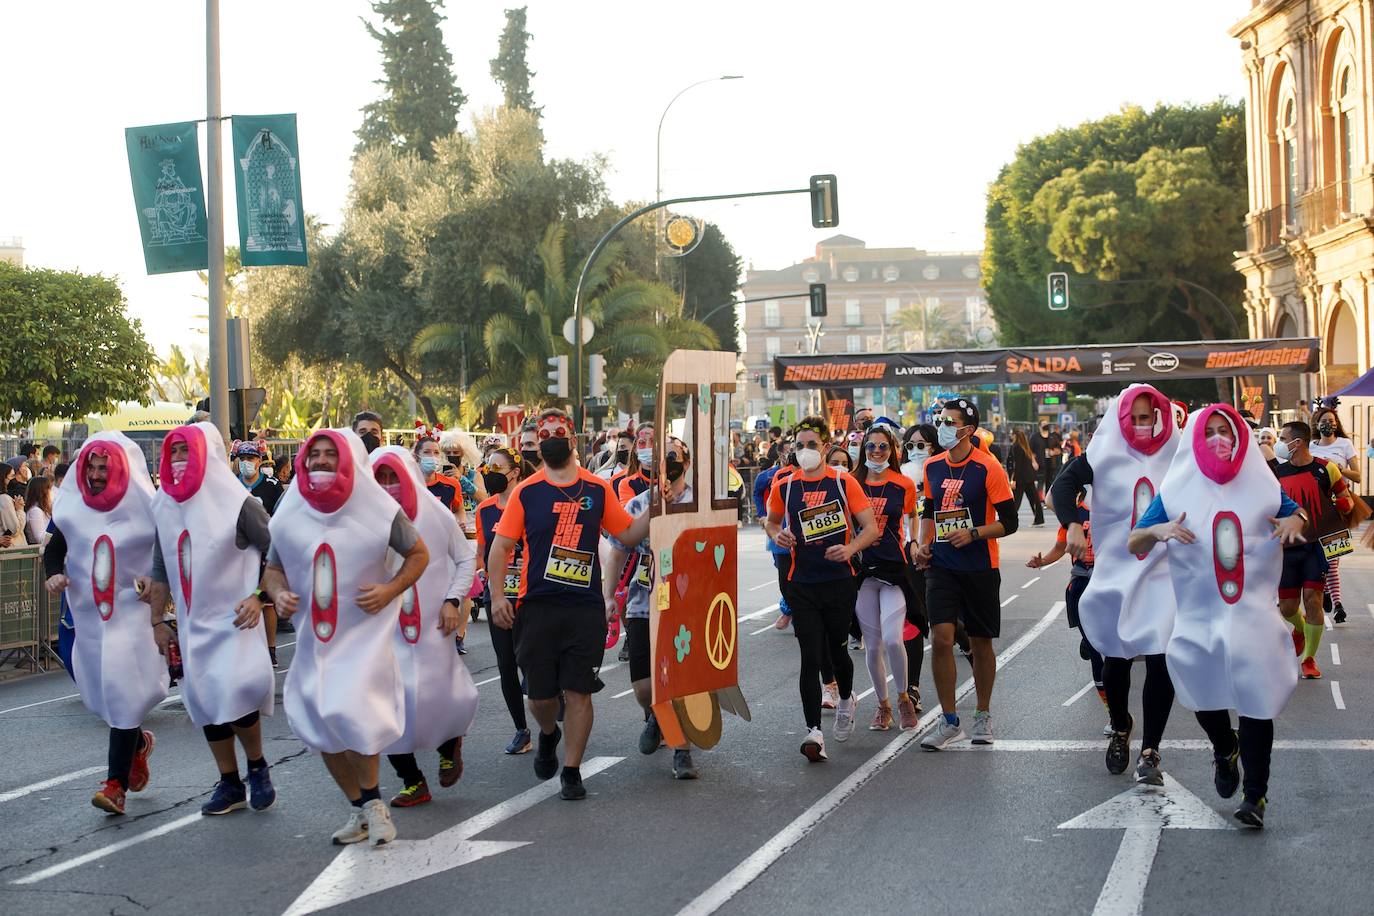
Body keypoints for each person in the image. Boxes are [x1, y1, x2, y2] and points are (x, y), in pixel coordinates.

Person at [1128, 404, 1307, 828]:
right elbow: (1134, 542)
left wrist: (1292, 523)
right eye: (1208, 431)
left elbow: (1294, 512)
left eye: (1224, 430)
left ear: (1240, 435)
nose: (1217, 438)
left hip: (1252, 616)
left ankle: (1255, 797)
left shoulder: (1260, 484)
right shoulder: (1175, 490)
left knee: (1256, 698)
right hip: (1199, 618)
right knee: (1202, 692)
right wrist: (1159, 530)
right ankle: (1225, 747)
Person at [262, 428, 430, 846]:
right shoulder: (289, 510)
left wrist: (391, 589)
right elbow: (272, 567)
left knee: (354, 711)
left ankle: (374, 805)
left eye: (328, 455)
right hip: (312, 642)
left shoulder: (380, 509)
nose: (319, 461)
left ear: (349, 461)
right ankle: (360, 809)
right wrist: (278, 593)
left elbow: (419, 554)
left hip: (363, 640)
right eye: (313, 454)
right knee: (321, 725)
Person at [486, 409, 649, 800]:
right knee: (540, 697)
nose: (553, 437)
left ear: (573, 439)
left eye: (560, 431)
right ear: (539, 445)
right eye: (546, 434)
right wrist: (495, 598)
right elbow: (501, 548)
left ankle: (572, 771)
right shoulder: (527, 491)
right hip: (537, 607)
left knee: (578, 691)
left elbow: (625, 533)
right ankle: (547, 733)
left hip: (583, 607)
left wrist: (658, 505)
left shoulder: (596, 488)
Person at [142, 422, 277, 816]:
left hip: (237, 621)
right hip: (191, 624)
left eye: (187, 452)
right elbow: (161, 565)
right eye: (174, 453)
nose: (179, 460)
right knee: (203, 700)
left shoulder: (239, 503)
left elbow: (279, 549)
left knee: (236, 692)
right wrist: (157, 621)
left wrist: (259, 597)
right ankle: (230, 782)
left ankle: (258, 766)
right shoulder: (164, 504)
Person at [1053, 386, 1180, 782]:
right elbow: (1061, 486)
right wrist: (1072, 522)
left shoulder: (1179, 454)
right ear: (1122, 420)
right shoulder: (1102, 454)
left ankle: (1151, 750)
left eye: (1149, 418)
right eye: (1135, 418)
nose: (1142, 426)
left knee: (1161, 657)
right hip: (1116, 571)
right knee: (1117, 658)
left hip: (1164, 573)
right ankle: (1121, 725)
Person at [44, 433, 166, 815]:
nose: (96, 475)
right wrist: (53, 576)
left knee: (122, 688)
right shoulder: (71, 507)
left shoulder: (145, 505)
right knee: (100, 695)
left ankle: (115, 786)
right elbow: (54, 549)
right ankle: (137, 745)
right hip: (89, 618)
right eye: (91, 467)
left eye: (104, 468)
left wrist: (153, 578)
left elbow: (164, 549)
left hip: (131, 613)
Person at [764, 416, 879, 762]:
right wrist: (777, 535)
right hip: (801, 583)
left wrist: (850, 549)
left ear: (826, 448)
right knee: (810, 657)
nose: (805, 451)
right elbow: (770, 521)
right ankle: (813, 730)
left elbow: (870, 527)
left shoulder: (843, 483)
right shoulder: (784, 485)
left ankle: (846, 697)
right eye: (799, 446)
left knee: (837, 651)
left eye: (812, 445)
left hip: (839, 582)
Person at [370, 446, 478, 808]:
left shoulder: (436, 514)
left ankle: (450, 746)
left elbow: (465, 559)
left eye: (393, 478)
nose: (387, 486)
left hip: (434, 624)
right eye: (380, 479)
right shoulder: (361, 519)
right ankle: (412, 780)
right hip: (382, 628)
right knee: (383, 705)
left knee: (436, 696)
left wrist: (453, 601)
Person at [915, 398, 1018, 750]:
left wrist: (974, 533)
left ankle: (983, 714)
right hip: (942, 565)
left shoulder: (988, 468)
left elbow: (1011, 522)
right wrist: (921, 543)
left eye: (951, 421)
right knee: (941, 638)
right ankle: (948, 720)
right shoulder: (932, 467)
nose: (943, 425)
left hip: (979, 566)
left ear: (968, 430)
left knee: (979, 642)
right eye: (941, 419)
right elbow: (928, 509)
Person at [605, 436, 700, 779]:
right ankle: (656, 718)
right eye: (661, 458)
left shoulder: (700, 502)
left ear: (686, 463)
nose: (666, 463)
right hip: (643, 603)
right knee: (645, 687)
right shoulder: (639, 504)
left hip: (687, 606)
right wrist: (608, 596)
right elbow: (618, 549)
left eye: (673, 457)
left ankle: (682, 751)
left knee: (679, 682)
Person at [1269, 421, 1354, 680]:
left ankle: (1309, 659)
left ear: (1298, 443)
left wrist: (1336, 504)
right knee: (1287, 608)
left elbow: (1348, 501)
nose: (1279, 444)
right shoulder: (1275, 473)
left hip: (1316, 547)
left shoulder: (1326, 469)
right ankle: (1301, 627)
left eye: (1283, 438)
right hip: (1287, 546)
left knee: (1314, 600)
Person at [852, 423, 922, 730]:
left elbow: (914, 514)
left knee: (895, 640)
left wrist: (915, 541)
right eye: (871, 446)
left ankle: (904, 698)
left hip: (894, 570)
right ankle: (883, 707)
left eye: (883, 447)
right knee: (873, 644)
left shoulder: (903, 483)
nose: (877, 452)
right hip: (863, 573)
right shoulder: (852, 483)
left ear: (892, 450)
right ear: (863, 450)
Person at [1027, 492, 1107, 734]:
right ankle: (1112, 712)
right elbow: (1060, 547)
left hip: (1109, 584)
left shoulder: (1116, 509)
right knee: (1096, 653)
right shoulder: (1074, 516)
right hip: (1082, 583)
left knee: (1113, 652)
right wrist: (1043, 561)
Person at [474, 447, 536, 755]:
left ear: (514, 472)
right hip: (496, 594)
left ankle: (550, 693)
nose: (490, 473)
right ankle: (521, 730)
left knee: (531, 657)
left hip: (529, 594)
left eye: (497, 467)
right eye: (487, 468)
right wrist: (480, 579)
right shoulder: (484, 509)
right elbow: (483, 551)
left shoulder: (529, 502)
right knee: (506, 663)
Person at [233, 440, 289, 656]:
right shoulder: (231, 484)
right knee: (244, 597)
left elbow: (280, 512)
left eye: (251, 458)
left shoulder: (272, 486)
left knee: (265, 600)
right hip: (241, 551)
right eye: (243, 458)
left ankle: (271, 649)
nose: (247, 462)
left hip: (266, 549)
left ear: (259, 460)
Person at [1308, 402, 1359, 623]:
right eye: (1324, 422)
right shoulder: (1310, 446)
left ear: (1336, 424)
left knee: (1333, 557)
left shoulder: (1345, 444)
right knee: (1323, 559)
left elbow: (1357, 476)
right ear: (1316, 425)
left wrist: (1338, 469)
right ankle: (1329, 593)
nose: (1328, 425)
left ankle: (1337, 604)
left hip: (1340, 504)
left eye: (1331, 421)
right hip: (1315, 507)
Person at [1006, 428, 1044, 526]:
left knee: (1015, 500)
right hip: (1029, 477)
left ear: (1015, 435)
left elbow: (1017, 465)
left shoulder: (1016, 447)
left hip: (1020, 478)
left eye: (1012, 434)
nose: (1011, 436)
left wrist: (1013, 479)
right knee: (1034, 499)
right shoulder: (1024, 447)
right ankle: (1039, 519)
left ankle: (1010, 521)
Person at [614, 425, 655, 504]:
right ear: (635, 449)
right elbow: (630, 513)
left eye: (652, 441)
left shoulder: (671, 477)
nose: (647, 447)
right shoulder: (626, 483)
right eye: (642, 442)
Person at [0, 463, 26, 549]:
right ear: (3, 478)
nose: (14, 479)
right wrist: (20, 510)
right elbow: (14, 529)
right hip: (11, 551)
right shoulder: (4, 499)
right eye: (12, 476)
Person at [24, 476, 52, 546]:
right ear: (43, 491)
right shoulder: (35, 511)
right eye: (49, 489)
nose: (51, 492)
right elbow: (40, 539)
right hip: (38, 552)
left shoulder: (43, 508)